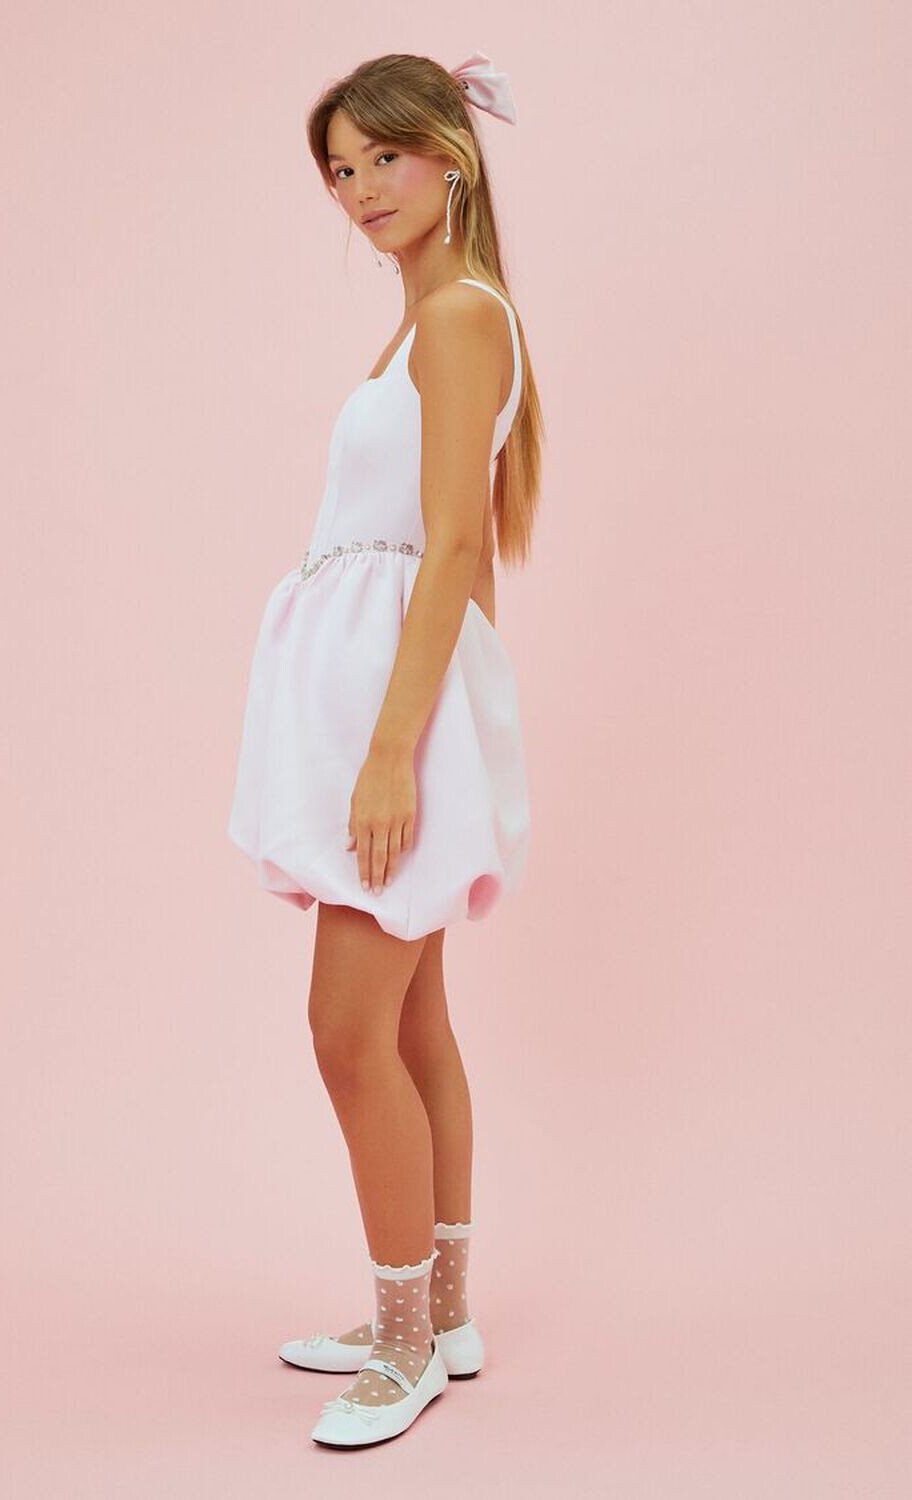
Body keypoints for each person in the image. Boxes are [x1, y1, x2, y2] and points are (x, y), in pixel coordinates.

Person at [226, 48, 544, 1447]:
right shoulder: (426, 320)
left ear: (450, 159)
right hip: (383, 705)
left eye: (383, 159)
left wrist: (395, 752)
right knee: (415, 1027)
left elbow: (456, 546)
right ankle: (442, 1313)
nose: (359, 189)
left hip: (389, 723)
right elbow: (441, 557)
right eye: (340, 171)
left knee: (346, 1030)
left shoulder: (460, 316)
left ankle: (405, 1347)